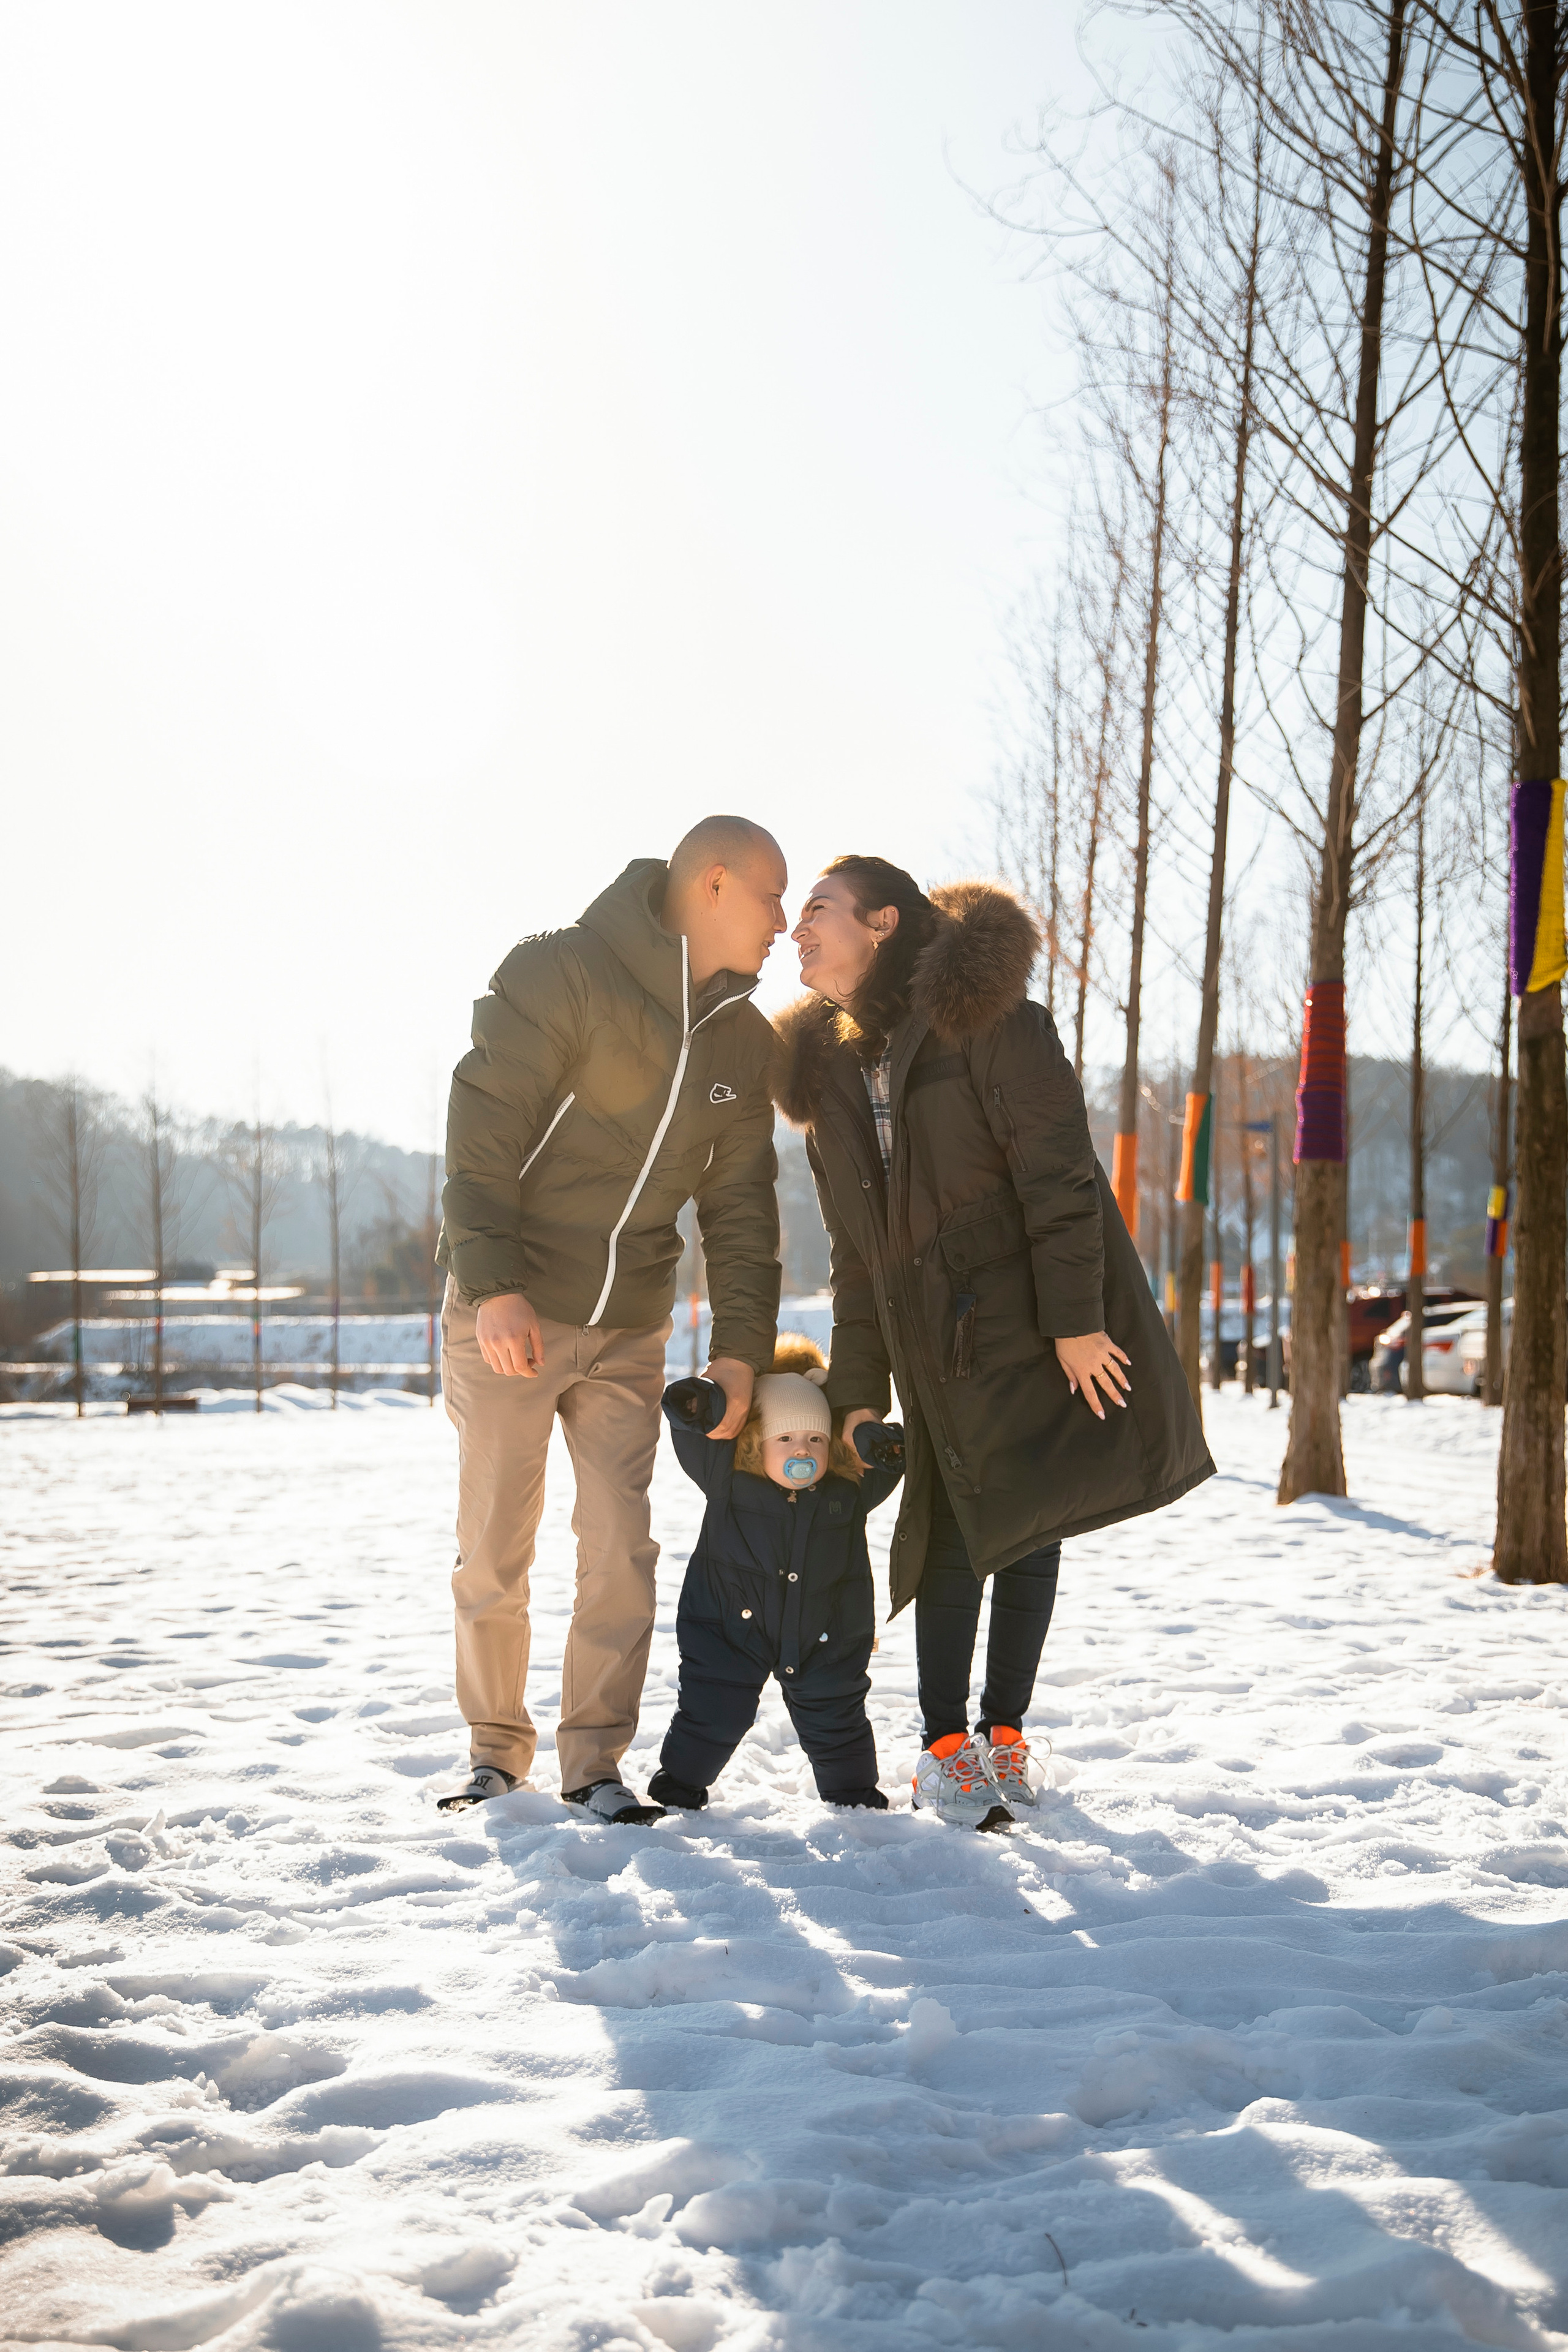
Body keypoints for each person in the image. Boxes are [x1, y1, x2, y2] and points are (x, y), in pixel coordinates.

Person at [774, 856, 1213, 1830]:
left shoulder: (994, 1020)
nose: (795, 929)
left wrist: (1077, 1322)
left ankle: (1001, 1736)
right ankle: (944, 1746)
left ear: (883, 922)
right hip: (924, 1338)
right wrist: (856, 1395)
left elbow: (1059, 1176)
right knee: (949, 1522)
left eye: (817, 909)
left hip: (1018, 1320)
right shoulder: (832, 1074)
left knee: (1028, 1518)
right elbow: (856, 1256)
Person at [435, 818, 786, 1822]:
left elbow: (741, 1209)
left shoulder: (741, 1046)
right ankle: (496, 1753)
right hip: (513, 1309)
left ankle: (594, 1763)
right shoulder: (563, 975)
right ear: (714, 883)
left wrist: (738, 1351)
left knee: (621, 1542)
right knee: (496, 1542)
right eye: (771, 896)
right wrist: (493, 1280)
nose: (779, 922)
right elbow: (481, 1135)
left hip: (629, 1328)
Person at [649, 1335, 905, 1814]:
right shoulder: (727, 1479)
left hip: (825, 1637)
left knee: (837, 1719)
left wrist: (881, 1446)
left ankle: (855, 1800)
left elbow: (885, 1464)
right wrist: (699, 1407)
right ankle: (679, 1789)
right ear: (755, 1443)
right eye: (784, 1439)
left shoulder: (845, 1493)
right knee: (712, 1715)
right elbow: (690, 1432)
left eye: (815, 1439)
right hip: (728, 1630)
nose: (801, 1450)